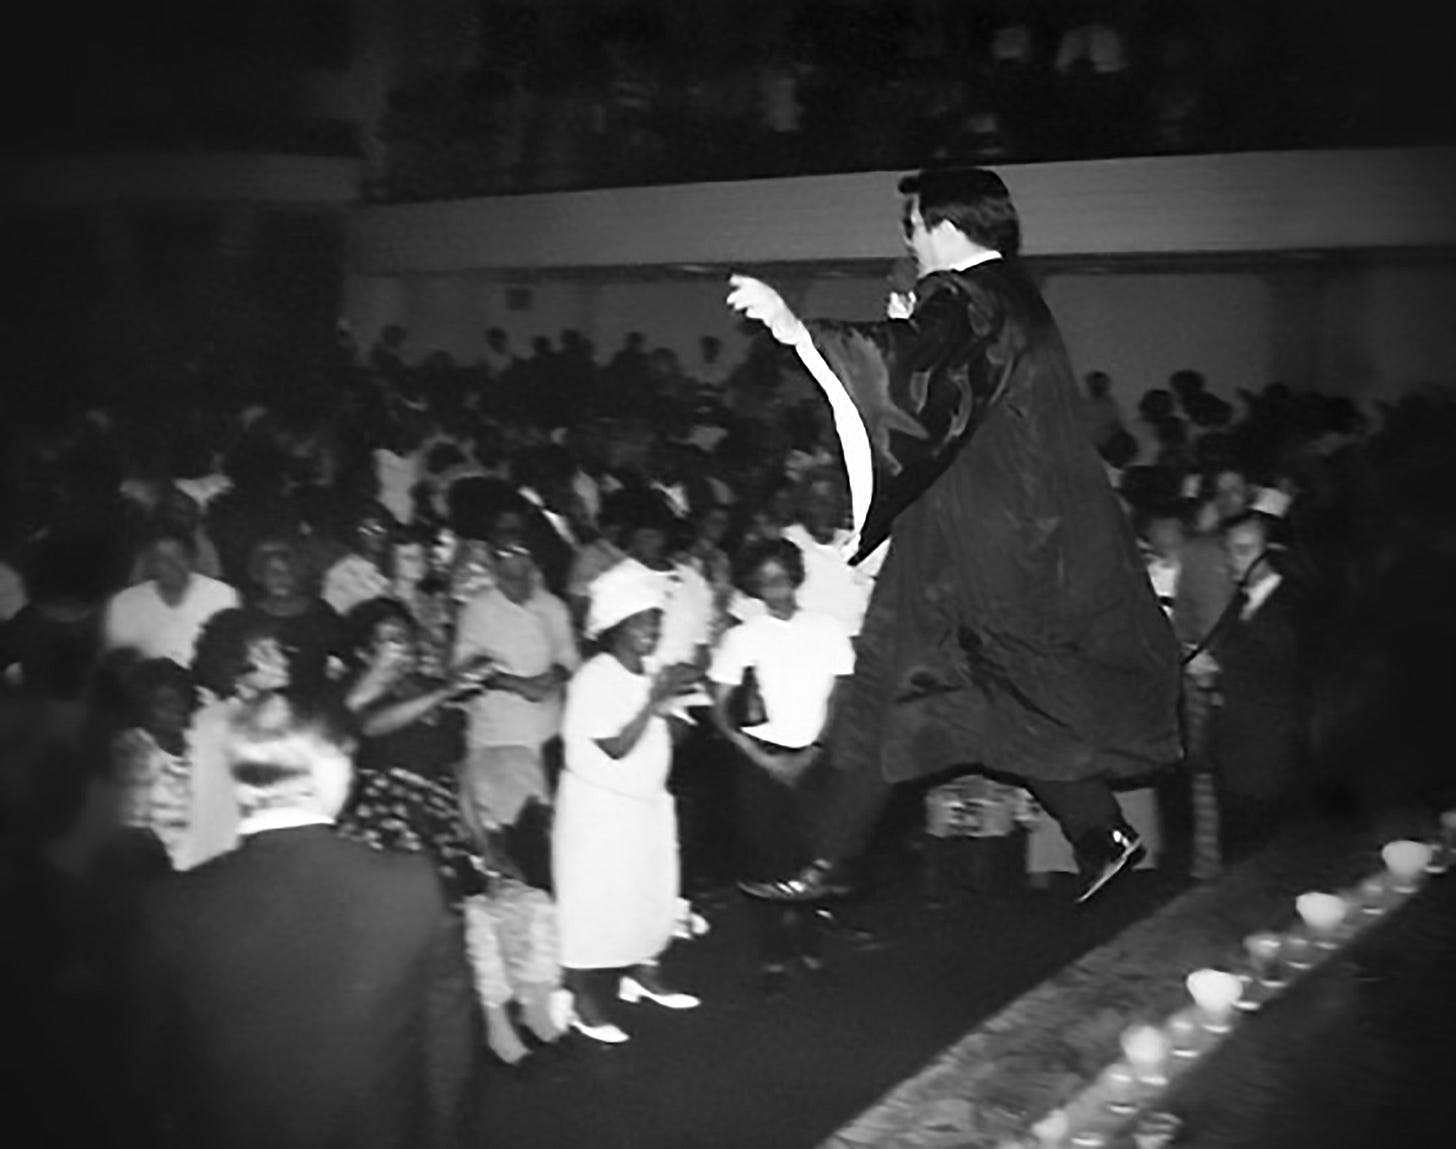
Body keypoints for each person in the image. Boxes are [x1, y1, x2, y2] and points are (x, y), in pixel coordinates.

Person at [727, 167, 1181, 903]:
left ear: (943, 226)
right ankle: (1097, 828)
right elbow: (954, 390)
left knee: (890, 680)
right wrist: (915, 329)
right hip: (1011, 538)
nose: (909, 237)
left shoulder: (967, 294)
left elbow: (907, 376)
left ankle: (829, 857)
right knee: (999, 686)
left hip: (968, 542)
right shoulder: (1015, 297)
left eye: (912, 224)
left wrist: (796, 328)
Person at [122, 693, 480, 1148]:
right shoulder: (409, 886)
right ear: (331, 769)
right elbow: (450, 1047)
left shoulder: (168, 906)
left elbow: (147, 1067)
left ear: (240, 784)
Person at [335, 597, 566, 1067]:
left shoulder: (434, 691)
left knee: (524, 902)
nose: (403, 645)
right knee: (463, 922)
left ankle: (537, 1011)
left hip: (440, 822)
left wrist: (484, 842)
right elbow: (369, 727)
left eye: (406, 635)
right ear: (364, 652)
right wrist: (448, 689)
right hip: (389, 831)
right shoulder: (354, 696)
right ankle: (498, 1033)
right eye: (388, 638)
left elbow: (457, 778)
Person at [552, 560, 701, 1044]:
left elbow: (673, 732)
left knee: (648, 891)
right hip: (599, 812)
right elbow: (613, 746)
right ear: (615, 628)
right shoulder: (594, 677)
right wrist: (655, 702)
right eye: (641, 622)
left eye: (656, 621)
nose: (651, 631)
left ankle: (642, 972)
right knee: (595, 901)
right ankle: (581, 999)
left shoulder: (650, 673)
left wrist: (674, 709)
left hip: (646, 804)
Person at [709, 539, 855, 997]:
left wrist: (815, 751)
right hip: (763, 761)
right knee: (765, 862)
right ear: (753, 585)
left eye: (782, 576)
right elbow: (719, 709)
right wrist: (757, 756)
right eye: (765, 580)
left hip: (817, 758)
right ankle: (773, 958)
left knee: (814, 860)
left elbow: (842, 698)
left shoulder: (828, 628)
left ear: (796, 576)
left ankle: (810, 952)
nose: (776, 587)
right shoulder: (743, 636)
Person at [103, 523, 239, 667]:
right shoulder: (124, 603)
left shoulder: (223, 594)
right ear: (151, 564)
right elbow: (119, 663)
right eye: (162, 559)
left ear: (192, 559)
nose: (172, 565)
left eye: (178, 557)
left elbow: (233, 653)